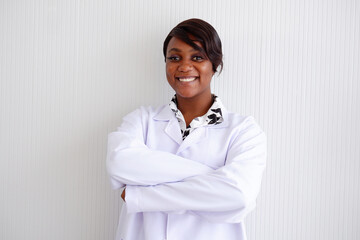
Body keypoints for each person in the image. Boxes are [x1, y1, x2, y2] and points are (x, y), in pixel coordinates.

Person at [106, 18, 266, 240]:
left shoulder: (243, 130)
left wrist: (139, 197)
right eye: (174, 57)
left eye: (197, 57)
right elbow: (119, 163)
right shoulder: (141, 120)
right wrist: (214, 180)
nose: (184, 66)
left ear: (215, 64)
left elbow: (238, 195)